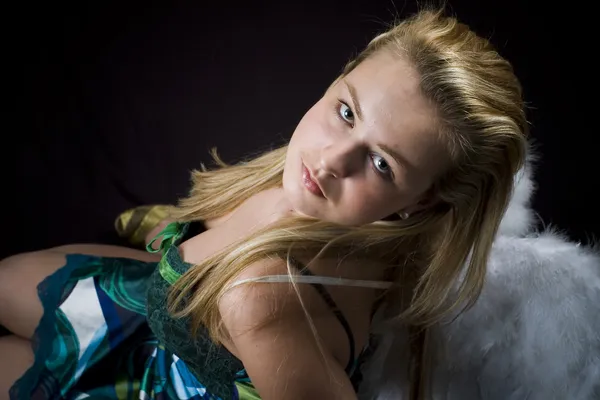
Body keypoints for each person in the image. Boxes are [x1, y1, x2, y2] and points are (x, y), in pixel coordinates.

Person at [0, 8, 530, 400]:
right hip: (150, 310)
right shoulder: (386, 221)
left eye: (381, 163)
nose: (329, 161)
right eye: (347, 112)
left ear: (425, 199)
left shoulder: (262, 300)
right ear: (342, 75)